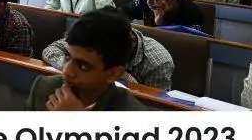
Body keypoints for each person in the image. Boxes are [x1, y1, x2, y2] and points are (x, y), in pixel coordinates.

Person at [26, 10, 146, 140]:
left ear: (112, 74)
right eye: (68, 57)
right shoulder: (44, 89)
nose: (67, 71)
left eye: (83, 66)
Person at [42, 21, 174, 90]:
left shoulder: (159, 62)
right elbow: (50, 50)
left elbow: (155, 108)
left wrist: (126, 78)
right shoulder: (95, 34)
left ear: (132, 42)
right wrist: (70, 64)